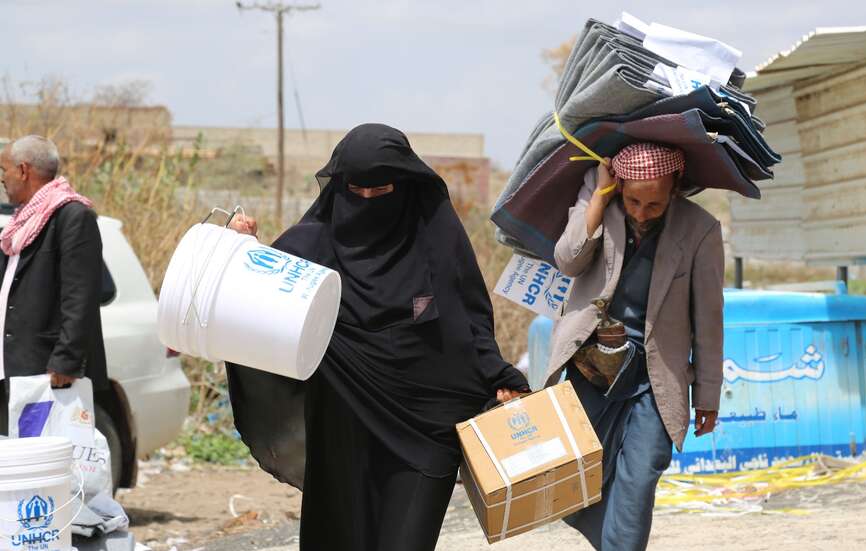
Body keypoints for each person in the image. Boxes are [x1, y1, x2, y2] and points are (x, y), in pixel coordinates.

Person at [225, 124, 529, 551]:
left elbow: (471, 317)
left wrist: (499, 374)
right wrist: (242, 248)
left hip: (428, 424)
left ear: (405, 186)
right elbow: (263, 297)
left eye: (381, 191)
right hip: (345, 426)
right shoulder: (312, 243)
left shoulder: (435, 239)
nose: (367, 202)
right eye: (357, 191)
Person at [547, 142, 724, 550]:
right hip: (592, 369)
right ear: (619, 184)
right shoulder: (601, 206)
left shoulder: (701, 231)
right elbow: (567, 260)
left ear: (675, 187)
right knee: (580, 478)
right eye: (634, 201)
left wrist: (708, 396)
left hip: (657, 380)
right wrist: (600, 197)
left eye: (654, 205)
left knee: (641, 475)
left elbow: (709, 321)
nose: (642, 213)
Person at [0, 135, 108, 435]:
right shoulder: (19, 224)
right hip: (14, 369)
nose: (2, 180)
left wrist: (65, 360)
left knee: (51, 468)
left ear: (23, 170)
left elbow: (80, 296)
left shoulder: (73, 217)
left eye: (4, 171)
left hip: (47, 372)